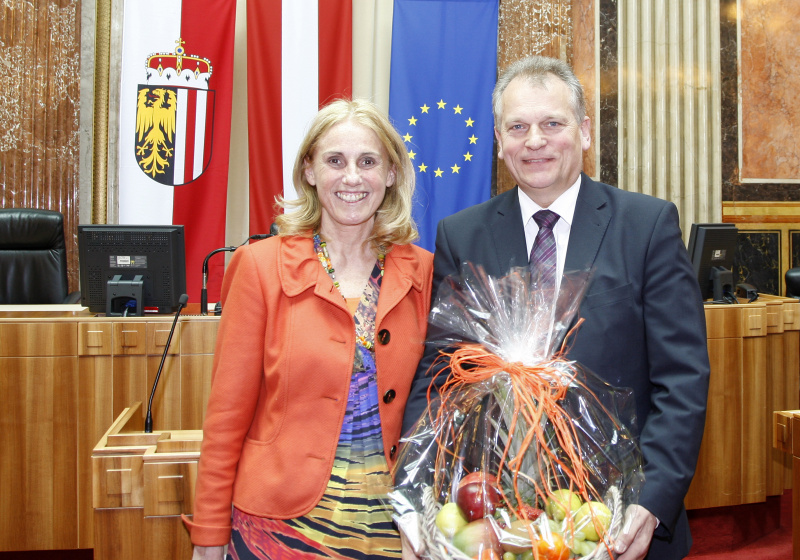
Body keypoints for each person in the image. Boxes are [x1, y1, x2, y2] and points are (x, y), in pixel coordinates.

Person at [401, 56, 710, 560]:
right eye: (518, 127)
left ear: (585, 132)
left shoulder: (647, 226)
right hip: (497, 521)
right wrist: (416, 494)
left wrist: (651, 501)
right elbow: (440, 377)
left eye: (552, 124)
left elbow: (683, 381)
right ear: (500, 141)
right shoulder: (461, 235)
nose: (535, 141)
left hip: (617, 517)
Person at [184, 98, 434, 560]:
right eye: (335, 161)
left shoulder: (424, 272)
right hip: (277, 527)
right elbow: (224, 419)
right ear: (310, 171)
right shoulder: (259, 266)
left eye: (368, 162)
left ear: (392, 174)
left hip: (392, 527)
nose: (352, 177)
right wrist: (209, 534)